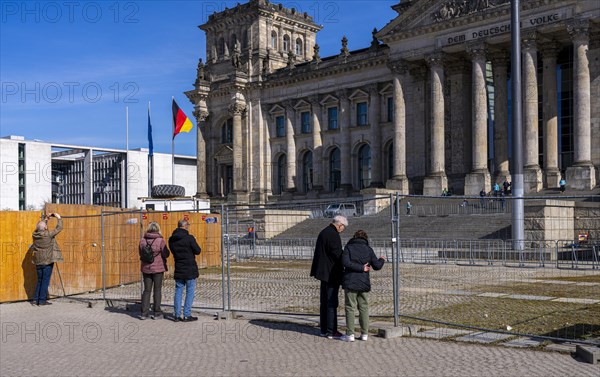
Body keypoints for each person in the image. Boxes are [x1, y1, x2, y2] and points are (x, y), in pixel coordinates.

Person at [341, 230, 385, 342]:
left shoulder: (348, 247)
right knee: (364, 308)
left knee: (350, 308)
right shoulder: (368, 249)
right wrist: (382, 259)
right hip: (363, 282)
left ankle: (350, 334)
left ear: (354, 237)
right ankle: (364, 333)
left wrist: (359, 267)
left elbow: (345, 262)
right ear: (365, 238)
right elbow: (377, 266)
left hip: (350, 281)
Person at [310, 215, 348, 339]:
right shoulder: (333, 235)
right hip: (331, 273)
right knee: (331, 302)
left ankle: (324, 329)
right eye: (343, 227)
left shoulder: (324, 232)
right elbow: (337, 254)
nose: (343, 230)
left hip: (323, 272)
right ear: (340, 225)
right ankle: (332, 331)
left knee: (324, 302)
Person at [169, 219, 201, 322]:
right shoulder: (189, 238)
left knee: (178, 291)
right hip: (189, 267)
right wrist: (194, 241)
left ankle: (176, 315)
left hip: (179, 267)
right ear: (185, 226)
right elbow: (197, 251)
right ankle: (187, 314)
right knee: (190, 291)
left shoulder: (171, 239)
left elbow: (173, 251)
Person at [31, 213, 64, 306]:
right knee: (45, 281)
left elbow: (40, 227)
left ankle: (35, 300)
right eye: (46, 226)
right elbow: (59, 228)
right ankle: (41, 301)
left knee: (39, 281)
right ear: (45, 228)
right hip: (47, 262)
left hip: (38, 262)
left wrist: (46, 219)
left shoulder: (34, 234)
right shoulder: (48, 235)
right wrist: (59, 217)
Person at [139, 222, 170, 320]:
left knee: (147, 290)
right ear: (158, 229)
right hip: (158, 268)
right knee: (157, 290)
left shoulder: (142, 240)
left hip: (146, 268)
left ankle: (144, 313)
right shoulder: (160, 240)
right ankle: (157, 312)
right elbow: (166, 254)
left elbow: (140, 253)